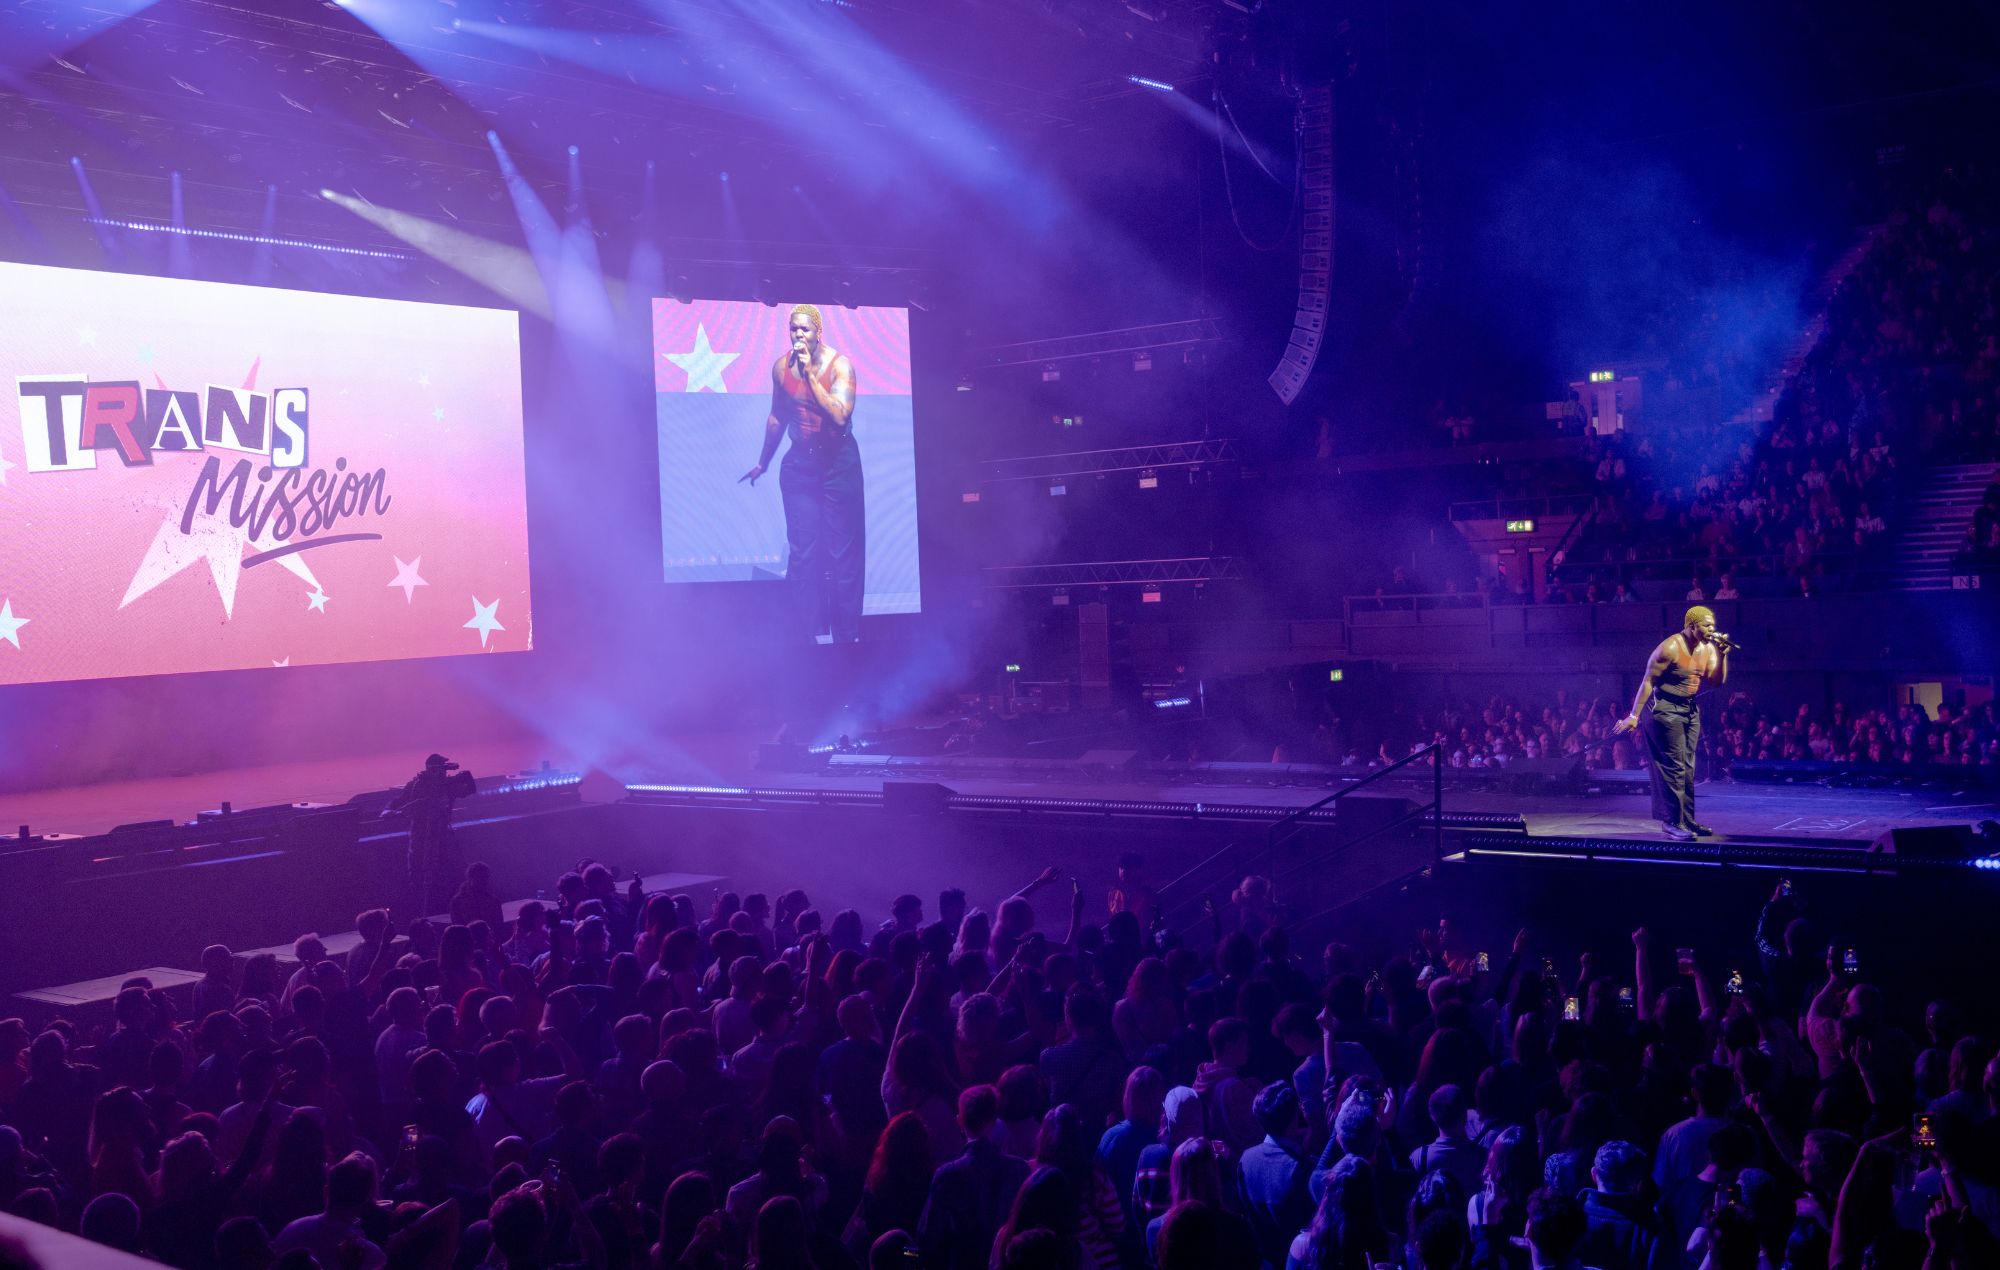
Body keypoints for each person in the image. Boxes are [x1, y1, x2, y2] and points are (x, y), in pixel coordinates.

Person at [739, 302, 865, 644]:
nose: (798, 334)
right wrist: (763, 461)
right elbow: (777, 416)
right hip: (801, 465)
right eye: (794, 329)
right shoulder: (781, 368)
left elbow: (840, 416)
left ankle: (847, 635)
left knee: (842, 554)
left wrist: (810, 375)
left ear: (818, 333)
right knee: (804, 554)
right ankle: (804, 635)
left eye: (805, 329)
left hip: (839, 463)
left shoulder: (841, 366)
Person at [1612, 606, 1732, 840]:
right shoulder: (1669, 648)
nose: (1712, 630)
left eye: (1713, 625)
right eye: (1707, 625)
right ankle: (1671, 822)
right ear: (1691, 626)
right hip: (1663, 709)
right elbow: (1647, 681)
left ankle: (1687, 820)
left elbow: (1716, 682)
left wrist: (1723, 655)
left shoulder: (1708, 648)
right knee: (1673, 768)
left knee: (1688, 768)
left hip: (1689, 709)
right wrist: (1634, 717)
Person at [383, 753, 477, 912]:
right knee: (418, 871)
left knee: (443, 869)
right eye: (441, 769)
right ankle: (419, 907)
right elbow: (399, 801)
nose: (444, 773)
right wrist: (387, 811)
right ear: (433, 770)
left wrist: (466, 775)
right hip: (419, 835)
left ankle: (441, 904)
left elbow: (470, 790)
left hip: (441, 834)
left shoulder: (447, 786)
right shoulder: (417, 785)